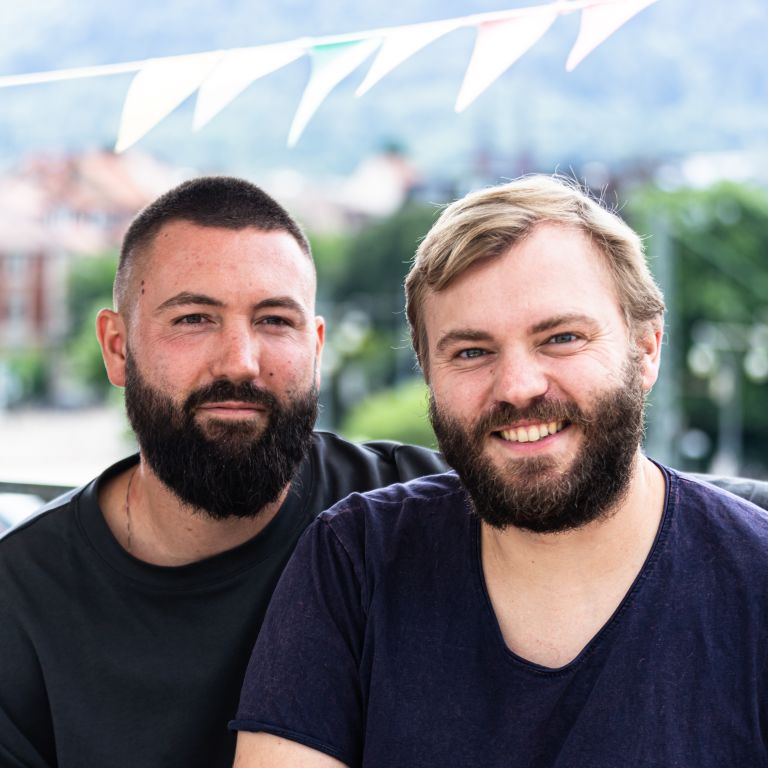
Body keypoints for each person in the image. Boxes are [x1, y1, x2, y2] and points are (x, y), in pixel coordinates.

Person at [232, 175, 768, 768]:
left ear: (646, 350)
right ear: (429, 378)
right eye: (470, 352)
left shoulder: (756, 582)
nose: (516, 387)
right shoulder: (355, 562)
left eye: (561, 338)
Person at [0, 177, 447, 768]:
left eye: (274, 321)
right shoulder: (19, 604)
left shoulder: (427, 512)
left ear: (315, 349)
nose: (240, 361)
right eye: (193, 318)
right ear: (117, 348)